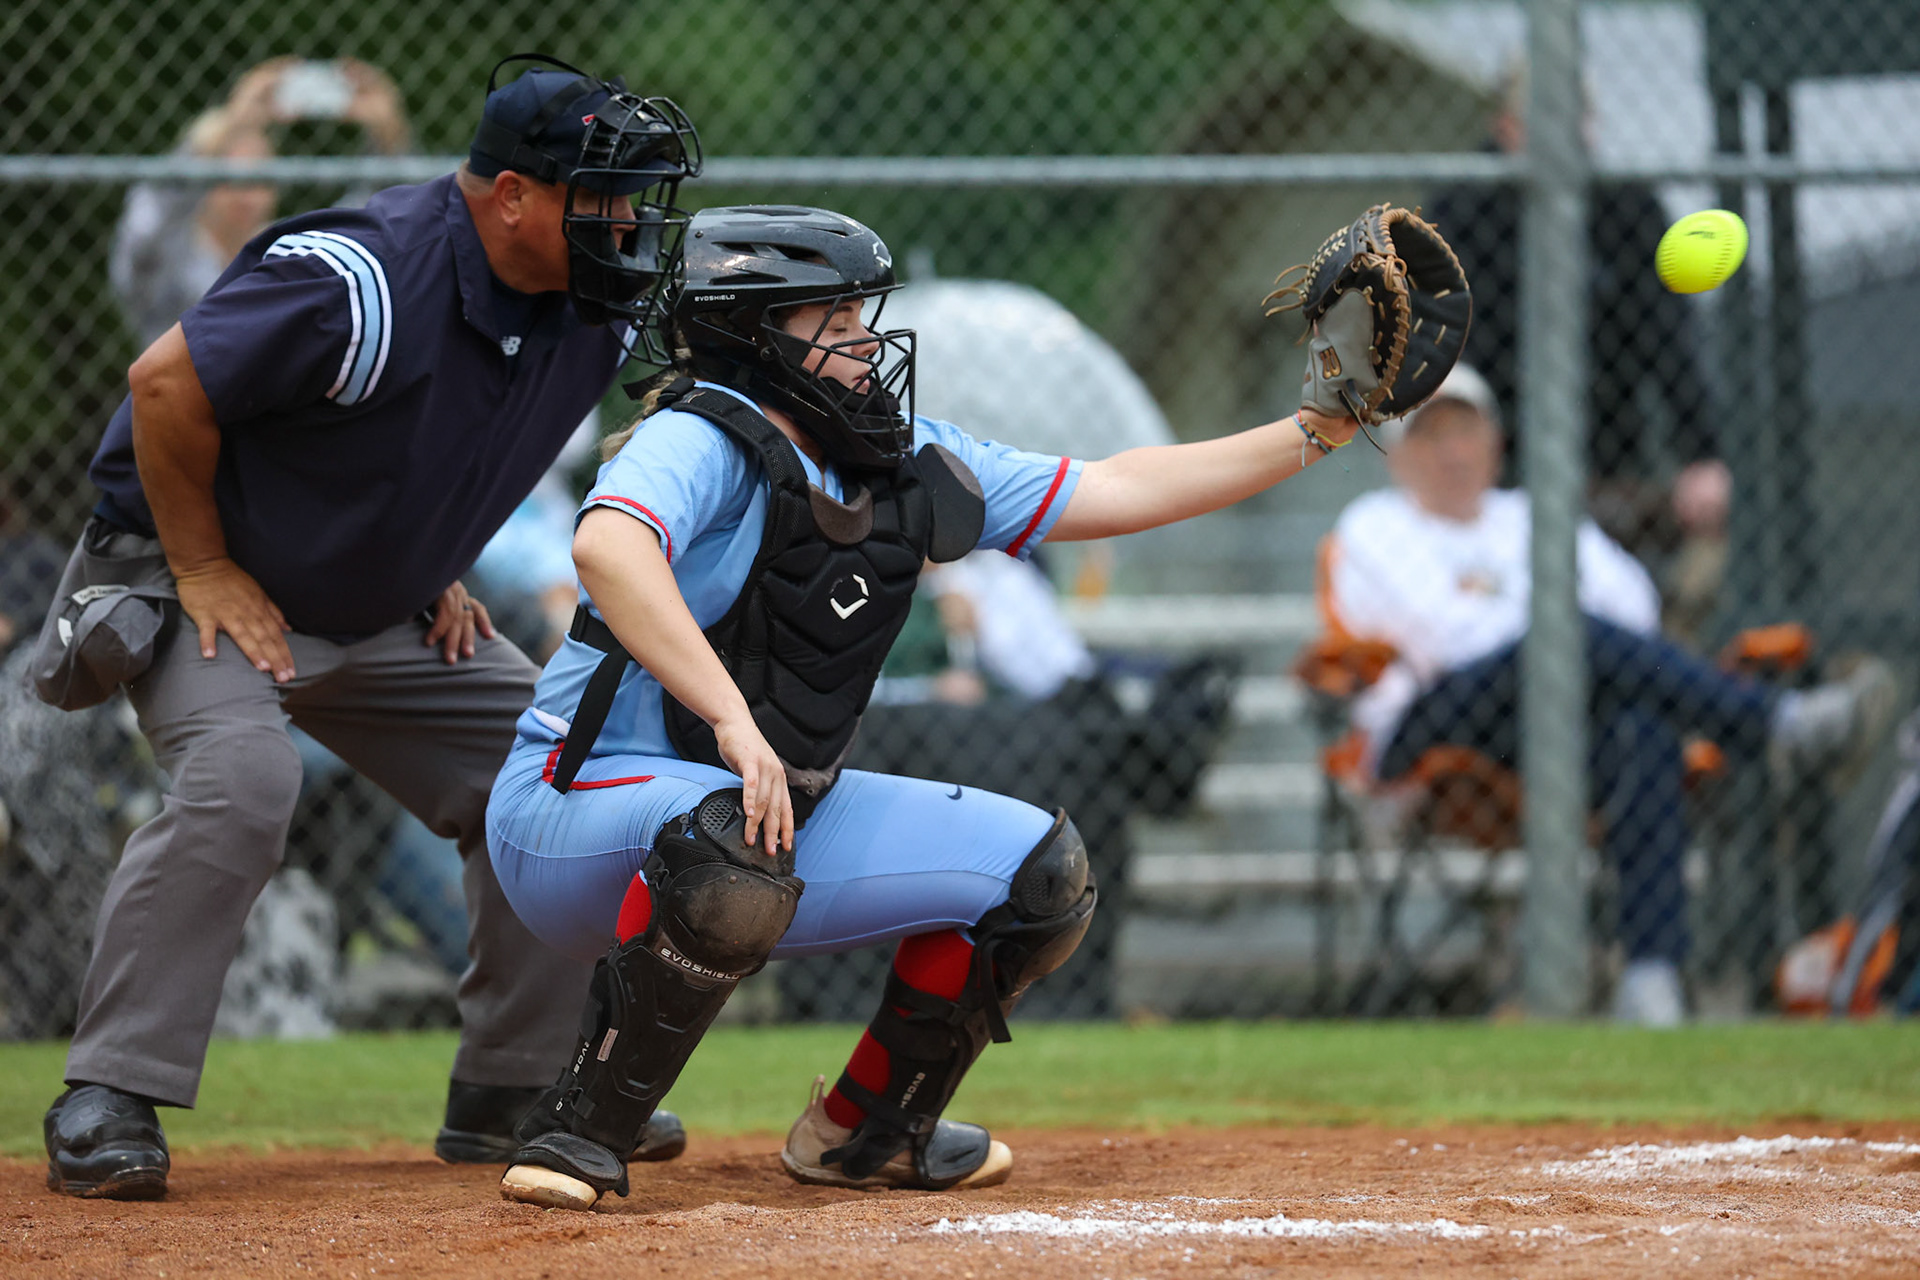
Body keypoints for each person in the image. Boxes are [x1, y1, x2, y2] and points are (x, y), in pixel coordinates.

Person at [480, 204, 1367, 1211]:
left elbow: (1114, 486)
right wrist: (730, 715)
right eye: (832, 317)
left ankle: (869, 1129)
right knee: (726, 845)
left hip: (755, 822)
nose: (864, 337)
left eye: (863, 311)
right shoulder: (694, 430)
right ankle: (580, 1125)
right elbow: (607, 547)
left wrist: (1317, 431)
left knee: (1041, 875)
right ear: (751, 330)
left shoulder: (895, 456)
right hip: (572, 812)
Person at [31, 54, 702, 1201]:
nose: (631, 223)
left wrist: (429, 558)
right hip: (198, 580)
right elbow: (162, 385)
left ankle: (514, 1084)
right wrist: (200, 562)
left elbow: (468, 434)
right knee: (245, 781)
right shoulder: (358, 275)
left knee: (548, 771)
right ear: (510, 199)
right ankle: (107, 1092)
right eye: (605, 195)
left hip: (376, 607)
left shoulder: (585, 299)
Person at [1328, 365, 1897, 1026]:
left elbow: (1633, 608)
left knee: (1640, 721)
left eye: (1466, 431)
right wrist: (1554, 628)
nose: (1453, 451)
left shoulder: (1530, 516)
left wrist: (1558, 635)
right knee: (1568, 632)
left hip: (1557, 730)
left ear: (1496, 443)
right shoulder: (1373, 526)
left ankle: (1650, 984)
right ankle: (1781, 726)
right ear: (1398, 455)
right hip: (1433, 734)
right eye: (1430, 436)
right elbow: (1443, 638)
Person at [1423, 67, 1730, 643]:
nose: (1574, 138)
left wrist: (1700, 454)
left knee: (1622, 604)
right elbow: (1429, 342)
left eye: (1581, 122)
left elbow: (1668, 335)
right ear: (1508, 130)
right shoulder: (1460, 209)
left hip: (1607, 450)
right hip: (1496, 460)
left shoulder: (1625, 208)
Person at [110, 57, 415, 348]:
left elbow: (372, 220)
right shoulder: (167, 256)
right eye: (230, 177)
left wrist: (387, 134)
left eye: (260, 177)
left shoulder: (288, 255)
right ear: (202, 183)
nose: (247, 193)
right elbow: (151, 217)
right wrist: (235, 121)